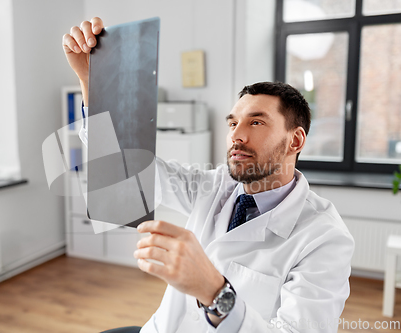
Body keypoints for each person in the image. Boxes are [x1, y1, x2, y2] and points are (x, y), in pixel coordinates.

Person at [62, 17, 355, 333]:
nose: (236, 136)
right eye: (232, 123)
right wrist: (94, 84)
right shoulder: (214, 185)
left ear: (295, 140)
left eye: (256, 123)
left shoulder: (324, 238)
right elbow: (131, 167)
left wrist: (215, 292)